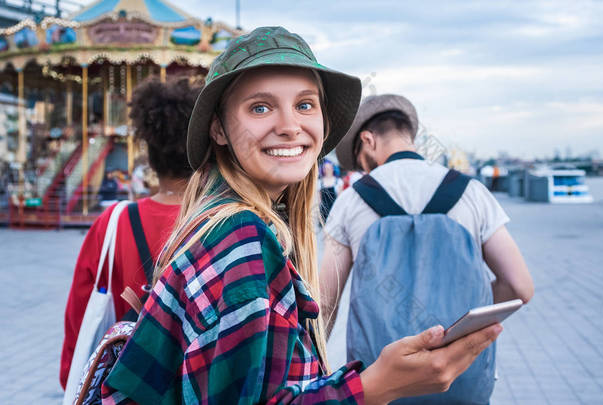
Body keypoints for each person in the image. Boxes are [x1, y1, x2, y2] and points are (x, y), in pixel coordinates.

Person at [101, 27, 502, 405]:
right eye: (260, 107)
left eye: (305, 105)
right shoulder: (241, 238)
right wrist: (377, 385)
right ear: (218, 130)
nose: (291, 127)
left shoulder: (216, 223)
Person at [321, 94, 534, 402]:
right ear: (410, 135)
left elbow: (325, 303)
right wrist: (461, 323)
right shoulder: (472, 192)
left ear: (368, 140)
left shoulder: (351, 201)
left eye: (359, 160)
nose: (363, 172)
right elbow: (520, 287)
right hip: (461, 377)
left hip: (380, 383)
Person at [60, 77, 200, 389]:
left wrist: (74, 377)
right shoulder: (223, 223)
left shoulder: (113, 222)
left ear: (149, 154)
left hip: (125, 386)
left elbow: (79, 317)